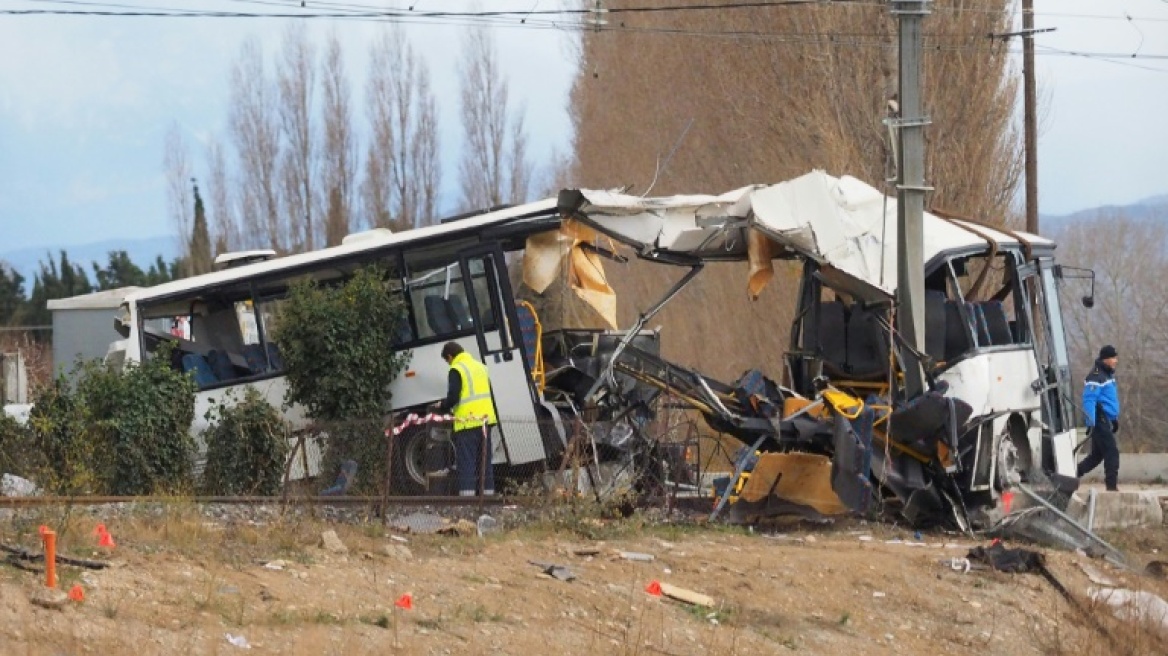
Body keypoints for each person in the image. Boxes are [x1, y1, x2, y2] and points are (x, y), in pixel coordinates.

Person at [436, 342, 498, 496]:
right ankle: (488, 497)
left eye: (447, 360)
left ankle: (467, 499)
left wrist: (442, 406)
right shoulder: (481, 367)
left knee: (467, 462)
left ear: (450, 356)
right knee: (485, 461)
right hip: (485, 422)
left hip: (467, 423)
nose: (448, 364)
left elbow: (454, 397)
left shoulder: (456, 369)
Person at [1077, 345, 1121, 491]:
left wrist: (1113, 419)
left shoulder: (1107, 374)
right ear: (1106, 359)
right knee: (1111, 452)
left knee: (1097, 455)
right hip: (1098, 419)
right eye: (1113, 358)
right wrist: (1091, 422)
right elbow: (1089, 400)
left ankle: (1073, 473)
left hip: (1105, 419)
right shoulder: (1096, 376)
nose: (1116, 360)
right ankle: (1111, 488)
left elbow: (1108, 400)